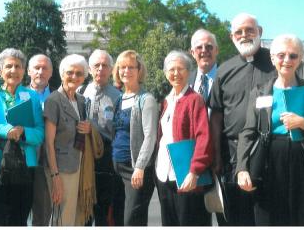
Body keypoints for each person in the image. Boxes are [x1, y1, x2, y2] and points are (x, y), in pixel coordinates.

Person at [236, 34, 304, 226]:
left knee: (302, 218)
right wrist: (241, 168)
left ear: (300, 59)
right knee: (268, 217)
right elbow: (248, 132)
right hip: (268, 162)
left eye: (293, 56)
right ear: (273, 58)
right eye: (281, 55)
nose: (287, 61)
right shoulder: (260, 91)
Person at [208, 12, 276, 226]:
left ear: (260, 32)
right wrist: (217, 156)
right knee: (237, 218)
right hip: (232, 156)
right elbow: (217, 114)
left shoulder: (276, 62)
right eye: (239, 32)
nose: (244, 35)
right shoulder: (224, 70)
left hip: (269, 152)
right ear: (231, 37)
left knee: (268, 216)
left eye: (249, 30)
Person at [0, 48, 44, 226]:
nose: (14, 70)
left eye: (18, 66)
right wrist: (4, 130)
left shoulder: (32, 97)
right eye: (9, 66)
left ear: (24, 71)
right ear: (0, 71)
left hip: (25, 166)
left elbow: (39, 133)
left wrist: (24, 132)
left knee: (19, 219)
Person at [44, 54, 103, 226]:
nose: (74, 77)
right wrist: (55, 176)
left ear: (84, 77)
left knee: (78, 218)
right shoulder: (53, 100)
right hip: (62, 170)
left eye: (79, 73)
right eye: (70, 72)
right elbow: (49, 143)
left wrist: (89, 128)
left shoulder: (82, 100)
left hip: (81, 166)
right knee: (63, 218)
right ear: (62, 74)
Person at [155, 50, 213, 226]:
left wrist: (195, 171)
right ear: (166, 73)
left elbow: (204, 138)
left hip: (185, 176)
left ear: (189, 72)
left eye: (180, 69)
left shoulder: (194, 100)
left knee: (189, 222)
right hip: (164, 175)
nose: (175, 73)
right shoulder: (166, 101)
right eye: (171, 69)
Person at [111, 50, 158, 226]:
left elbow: (150, 136)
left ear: (139, 70)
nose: (126, 71)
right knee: (119, 218)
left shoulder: (146, 100)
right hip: (118, 168)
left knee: (132, 220)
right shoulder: (120, 99)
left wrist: (140, 167)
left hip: (135, 170)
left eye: (131, 67)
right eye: (122, 67)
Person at [81, 49, 125, 226]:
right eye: (96, 65)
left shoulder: (118, 97)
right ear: (90, 69)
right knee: (84, 207)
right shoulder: (80, 91)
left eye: (104, 65)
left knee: (103, 208)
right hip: (83, 155)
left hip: (106, 156)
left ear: (111, 69)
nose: (100, 69)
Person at [27, 54, 54, 226]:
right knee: (18, 211)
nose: (40, 72)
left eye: (45, 68)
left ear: (51, 73)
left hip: (47, 163)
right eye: (36, 68)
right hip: (22, 160)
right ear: (29, 71)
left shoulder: (59, 98)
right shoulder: (16, 95)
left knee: (43, 213)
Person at [189, 29, 219, 103]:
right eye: (199, 47)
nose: (204, 50)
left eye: (209, 47)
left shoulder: (227, 78)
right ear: (192, 53)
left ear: (216, 50)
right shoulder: (185, 81)